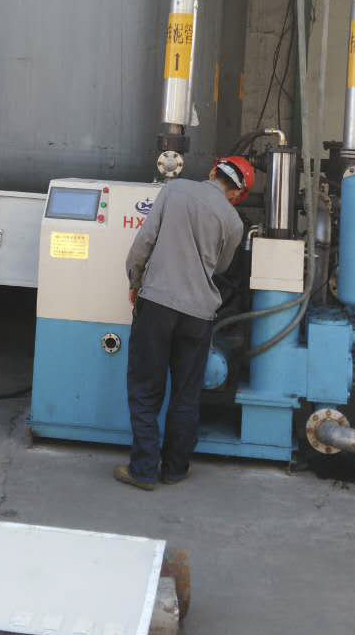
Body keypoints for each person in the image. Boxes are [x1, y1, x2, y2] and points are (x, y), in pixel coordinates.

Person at [114, 156, 254, 491]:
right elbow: (221, 266)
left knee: (146, 389)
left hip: (157, 303)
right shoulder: (234, 222)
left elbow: (144, 242)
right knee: (186, 393)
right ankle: (175, 468)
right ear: (237, 193)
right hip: (199, 314)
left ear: (212, 172)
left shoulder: (174, 190)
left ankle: (143, 470)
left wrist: (135, 280)